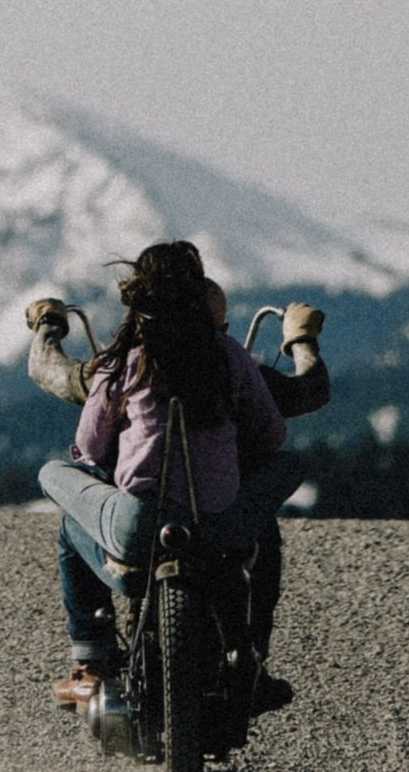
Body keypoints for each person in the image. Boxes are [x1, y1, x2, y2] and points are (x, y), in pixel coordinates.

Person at [28, 271, 329, 682]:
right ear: (219, 328)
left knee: (73, 521)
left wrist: (49, 323)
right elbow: (308, 391)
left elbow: (50, 371)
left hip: (138, 526)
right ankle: (253, 655)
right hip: (219, 525)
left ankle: (90, 660)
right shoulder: (236, 365)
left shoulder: (120, 366)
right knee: (264, 527)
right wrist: (299, 339)